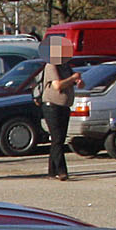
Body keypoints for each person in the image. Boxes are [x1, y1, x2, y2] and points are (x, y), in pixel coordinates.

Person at [35, 34, 80, 180]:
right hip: (51, 106)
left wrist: (78, 81)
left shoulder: (66, 66)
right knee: (57, 139)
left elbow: (74, 81)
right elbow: (57, 85)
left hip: (64, 105)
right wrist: (72, 79)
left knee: (59, 139)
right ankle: (62, 171)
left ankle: (51, 170)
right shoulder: (51, 65)